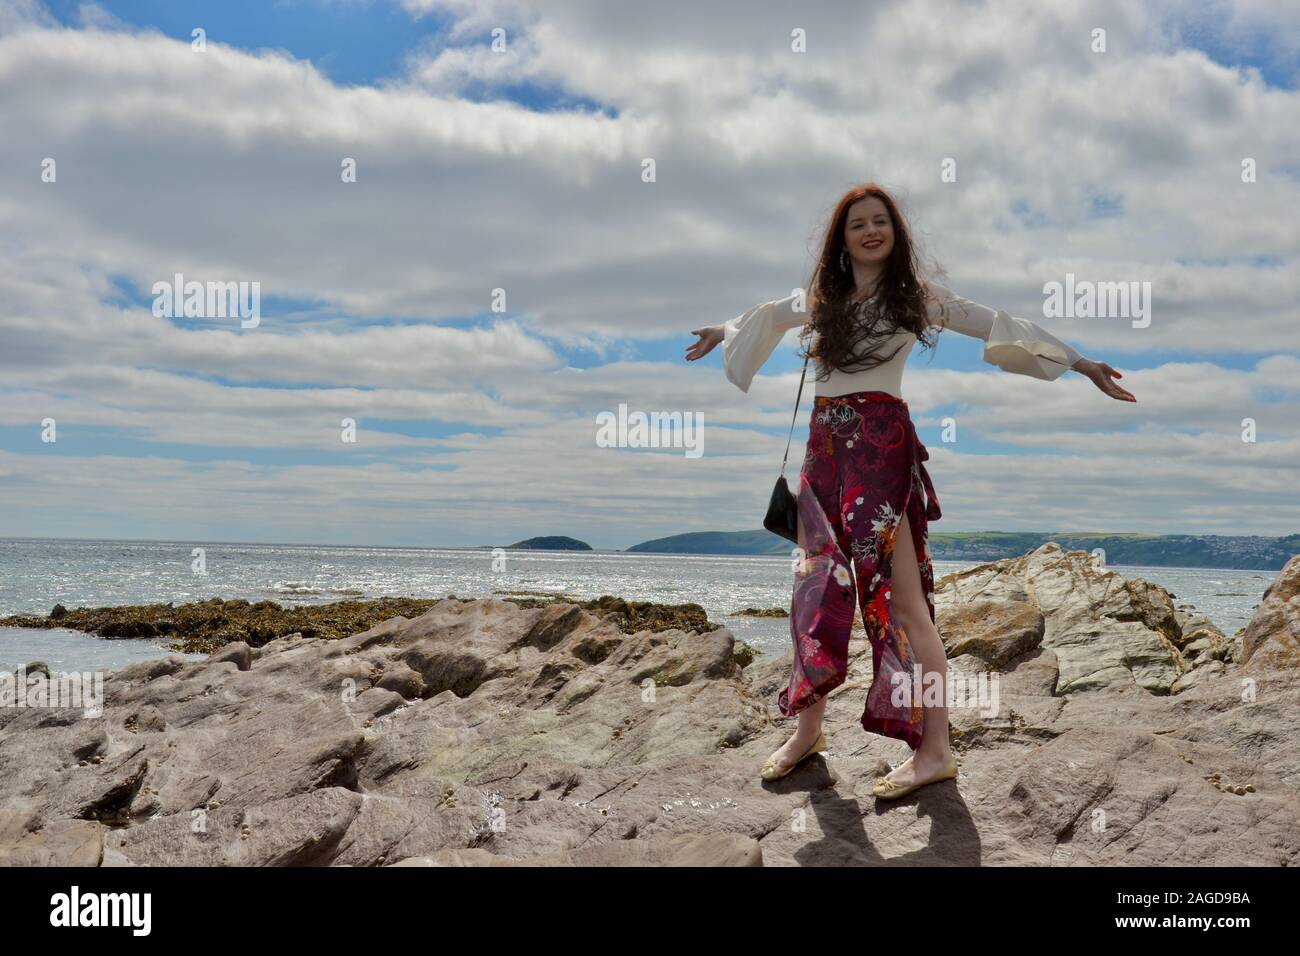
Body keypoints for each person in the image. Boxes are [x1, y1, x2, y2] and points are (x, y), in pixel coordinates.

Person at [685, 183, 1135, 799]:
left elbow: (998, 325)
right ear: (841, 239)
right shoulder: (825, 297)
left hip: (880, 451)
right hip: (825, 454)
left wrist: (1081, 364)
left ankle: (937, 750)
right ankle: (808, 732)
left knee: (906, 607)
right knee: (815, 592)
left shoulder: (917, 299)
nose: (870, 231)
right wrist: (721, 328)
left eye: (880, 222)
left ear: (895, 232)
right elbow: (767, 312)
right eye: (857, 225)